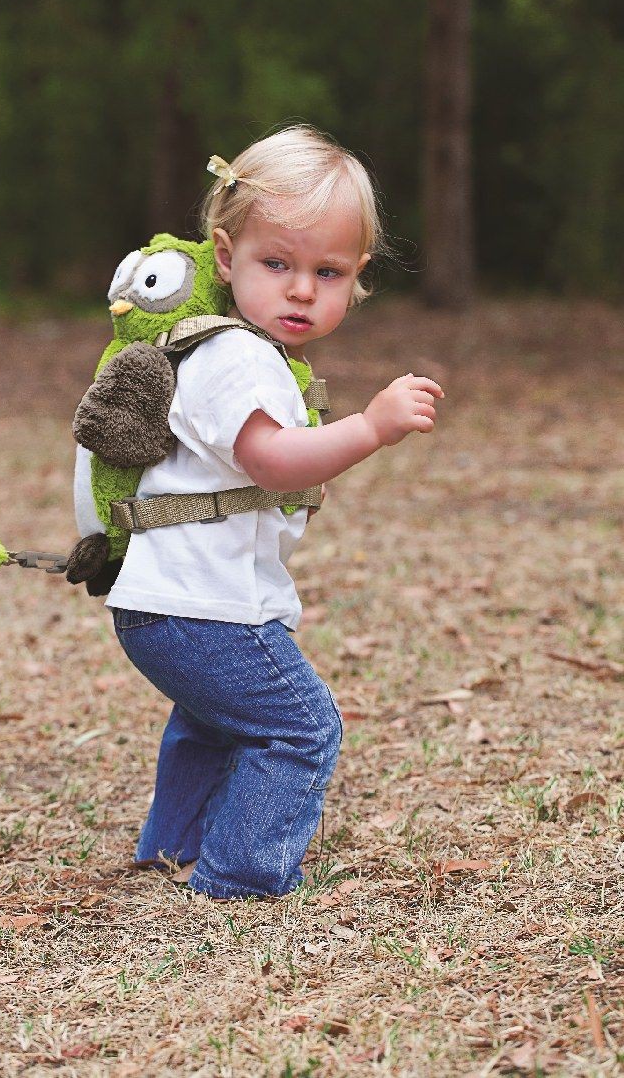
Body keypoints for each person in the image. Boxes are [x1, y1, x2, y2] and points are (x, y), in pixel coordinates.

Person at [105, 124, 444, 900]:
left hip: (165, 606)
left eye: (325, 271)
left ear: (355, 277)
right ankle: (240, 876)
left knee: (215, 720)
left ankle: (175, 847)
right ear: (226, 258)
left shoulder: (236, 351)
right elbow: (270, 459)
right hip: (202, 609)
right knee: (300, 727)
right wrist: (371, 427)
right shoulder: (236, 356)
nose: (300, 289)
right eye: (276, 264)